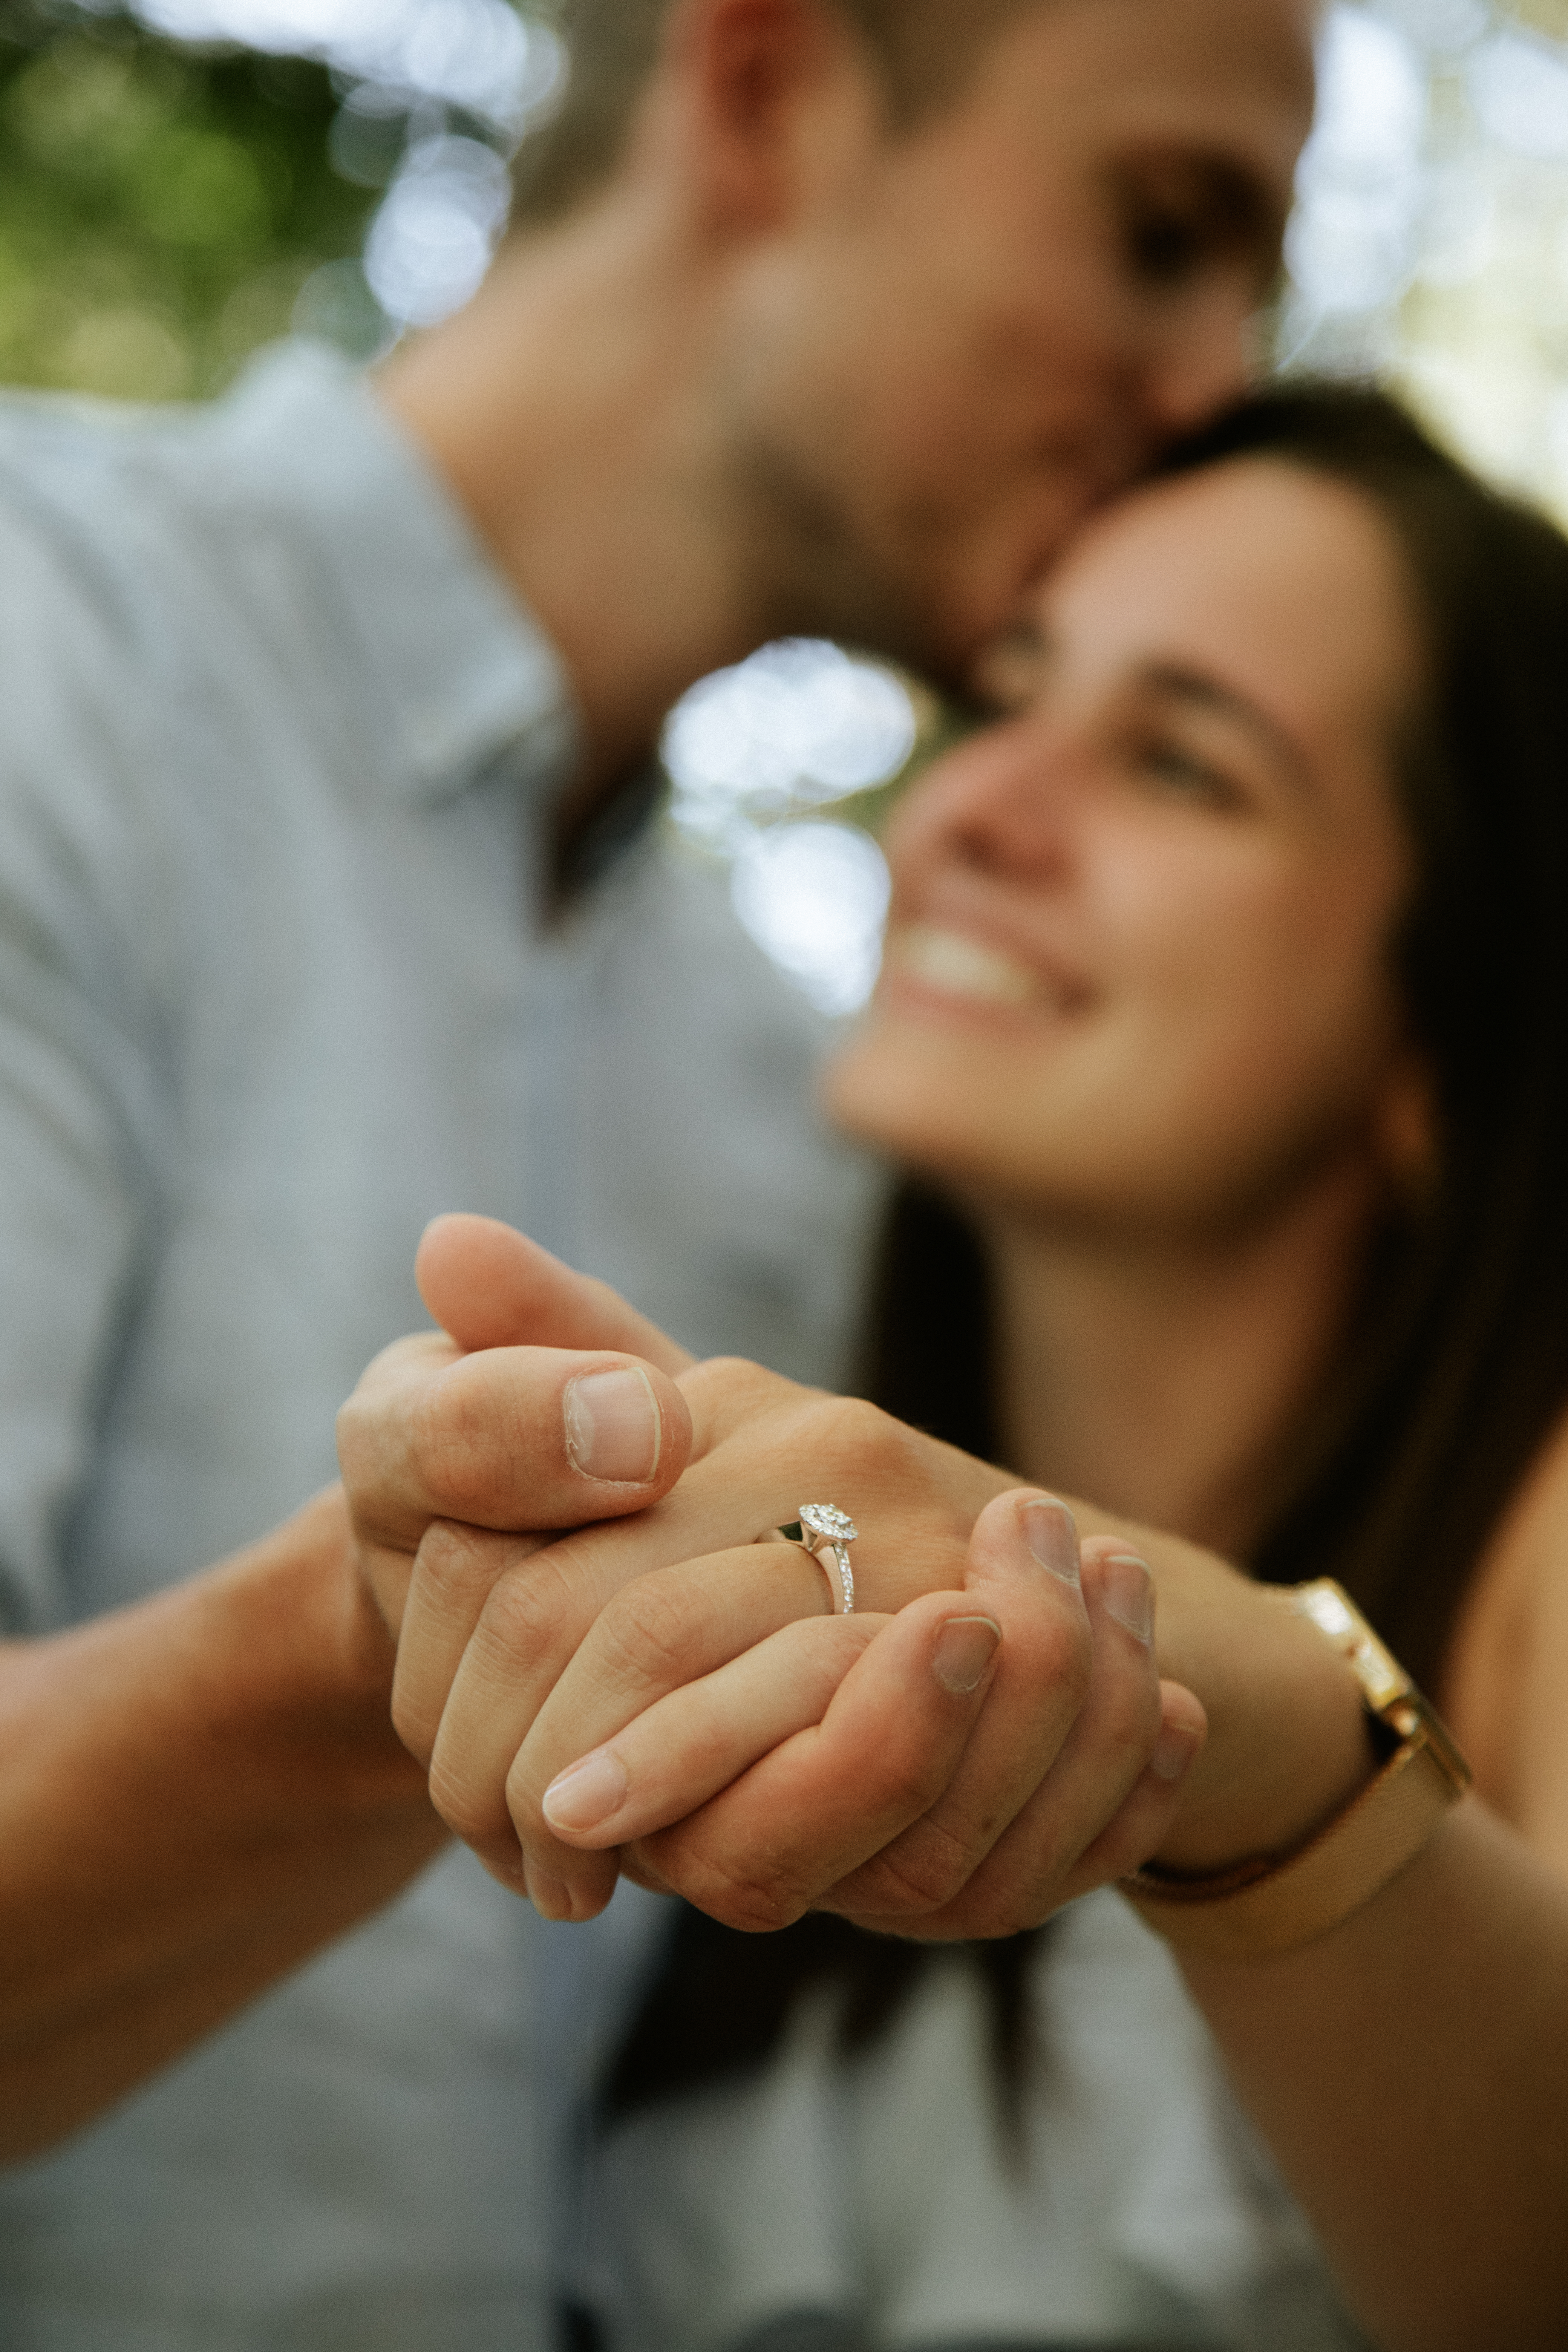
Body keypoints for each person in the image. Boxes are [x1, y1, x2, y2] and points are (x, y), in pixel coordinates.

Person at [0, 0, 1313, 2342]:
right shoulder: (45, 661)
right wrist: (390, 1646)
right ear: (766, 82)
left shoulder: (799, 1090)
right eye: (1161, 227)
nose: (1210, 376)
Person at [341, 389, 1568, 2350]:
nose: (969, 811)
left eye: (1181, 764)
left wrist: (1255, 1711)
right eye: (1007, 699)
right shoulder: (745, 1465)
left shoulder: (1538, 1546)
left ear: (1452, 1023)